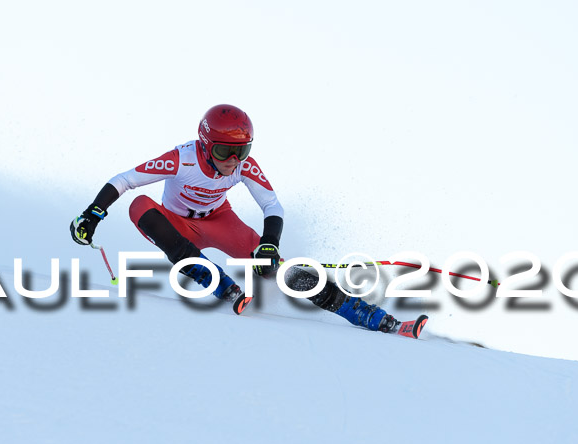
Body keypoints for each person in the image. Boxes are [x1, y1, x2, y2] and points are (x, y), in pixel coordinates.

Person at [70, 104, 398, 332]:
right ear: (204, 145)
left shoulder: (243, 166)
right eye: (224, 151)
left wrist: (269, 245)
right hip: (176, 224)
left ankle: (363, 313)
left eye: (241, 151)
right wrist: (92, 214)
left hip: (219, 222)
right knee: (139, 205)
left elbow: (272, 206)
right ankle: (219, 284)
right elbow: (124, 180)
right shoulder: (180, 159)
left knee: (275, 267)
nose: (232, 161)